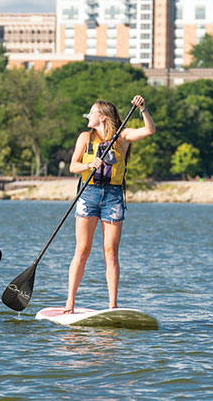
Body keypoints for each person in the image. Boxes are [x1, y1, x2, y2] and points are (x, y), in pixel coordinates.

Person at [65, 94, 156, 313]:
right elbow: (73, 167)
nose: (88, 115)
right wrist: (89, 165)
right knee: (82, 249)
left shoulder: (121, 137)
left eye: (92, 111)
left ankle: (113, 305)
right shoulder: (85, 137)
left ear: (103, 117)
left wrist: (143, 109)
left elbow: (149, 130)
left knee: (111, 252)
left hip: (113, 196)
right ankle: (70, 302)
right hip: (89, 194)